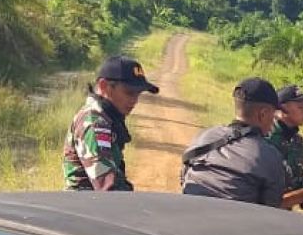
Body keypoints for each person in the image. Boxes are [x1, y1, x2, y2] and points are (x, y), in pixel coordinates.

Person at [180, 78, 287, 206]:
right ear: (263, 114)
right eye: (273, 114)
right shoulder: (270, 155)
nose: (274, 120)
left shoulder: (204, 136)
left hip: (190, 212)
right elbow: (271, 206)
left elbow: (184, 178)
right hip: (234, 223)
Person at [63, 55, 159, 192]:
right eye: (129, 93)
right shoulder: (94, 122)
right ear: (104, 86)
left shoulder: (108, 118)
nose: (135, 100)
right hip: (86, 209)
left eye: (138, 94)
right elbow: (108, 188)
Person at [268, 84, 303, 193]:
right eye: (300, 107)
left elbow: (298, 178)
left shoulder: (298, 142)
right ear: (281, 110)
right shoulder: (265, 137)